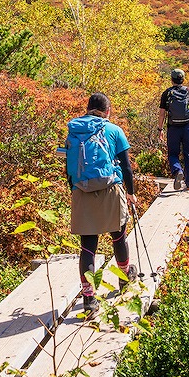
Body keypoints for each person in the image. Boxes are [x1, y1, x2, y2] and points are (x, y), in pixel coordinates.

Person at [58, 92, 137, 313]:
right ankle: (124, 278)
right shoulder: (114, 130)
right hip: (110, 189)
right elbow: (127, 167)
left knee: (88, 246)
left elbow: (68, 167)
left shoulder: (74, 131)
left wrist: (75, 190)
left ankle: (89, 299)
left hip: (81, 191)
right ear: (108, 110)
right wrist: (130, 193)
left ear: (87, 108)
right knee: (118, 236)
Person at [157, 68, 189, 190]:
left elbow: (162, 114)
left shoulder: (167, 93)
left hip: (173, 128)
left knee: (173, 154)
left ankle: (177, 171)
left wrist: (160, 129)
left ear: (171, 80)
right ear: (183, 79)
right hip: (187, 127)